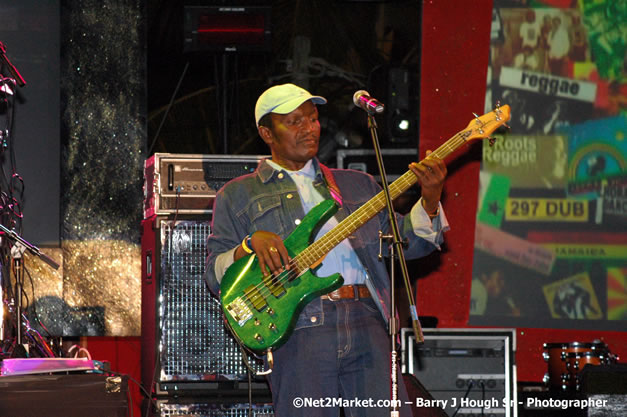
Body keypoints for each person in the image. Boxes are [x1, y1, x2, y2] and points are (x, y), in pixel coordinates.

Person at [204, 83, 449, 417]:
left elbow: (407, 247)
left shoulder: (356, 185)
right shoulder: (238, 194)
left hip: (367, 318)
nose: (308, 128)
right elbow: (214, 275)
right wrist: (248, 245)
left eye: (313, 118)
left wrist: (431, 199)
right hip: (300, 327)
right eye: (293, 121)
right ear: (266, 133)